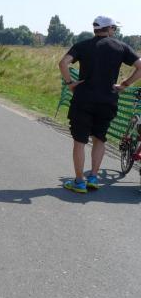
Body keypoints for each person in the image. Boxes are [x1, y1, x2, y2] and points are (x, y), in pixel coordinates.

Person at [58, 16, 141, 193]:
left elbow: (63, 63)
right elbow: (140, 66)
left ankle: (79, 182)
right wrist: (125, 84)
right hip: (107, 100)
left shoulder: (82, 45)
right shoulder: (121, 47)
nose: (115, 31)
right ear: (109, 29)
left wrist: (70, 83)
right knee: (99, 139)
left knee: (80, 141)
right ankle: (93, 178)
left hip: (83, 99)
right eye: (114, 28)